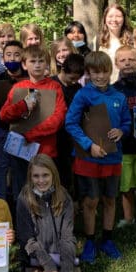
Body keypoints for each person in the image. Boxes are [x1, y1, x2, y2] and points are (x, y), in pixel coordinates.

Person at [65, 51, 131, 264]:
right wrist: (88, 145)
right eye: (95, 72)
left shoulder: (119, 97)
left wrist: (121, 131)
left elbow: (127, 123)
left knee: (110, 199)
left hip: (112, 158)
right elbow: (70, 123)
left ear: (111, 71)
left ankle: (108, 239)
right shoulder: (83, 95)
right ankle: (90, 240)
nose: (100, 76)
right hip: (88, 159)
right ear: (89, 73)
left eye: (104, 72)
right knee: (91, 200)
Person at [0, 45, 67, 203]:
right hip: (21, 151)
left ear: (46, 64)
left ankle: (47, 226)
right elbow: (4, 115)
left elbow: (58, 119)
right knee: (22, 191)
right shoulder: (18, 87)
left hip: (46, 151)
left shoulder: (54, 87)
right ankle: (24, 226)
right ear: (24, 64)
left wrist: (31, 133)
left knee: (46, 192)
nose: (37, 64)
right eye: (32, 61)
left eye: (41, 61)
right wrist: (23, 105)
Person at [16, 154, 77, 272]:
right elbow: (27, 240)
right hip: (34, 257)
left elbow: (67, 237)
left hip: (60, 254)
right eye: (36, 176)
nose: (41, 181)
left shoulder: (64, 197)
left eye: (45, 175)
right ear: (30, 177)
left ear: (53, 175)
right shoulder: (23, 198)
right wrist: (48, 264)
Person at [112, 46, 136, 229]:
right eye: (122, 60)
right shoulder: (114, 90)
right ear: (116, 63)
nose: (127, 63)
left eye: (131, 60)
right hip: (123, 146)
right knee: (125, 186)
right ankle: (128, 218)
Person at [0, 40, 27, 200]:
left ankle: (21, 207)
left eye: (17, 55)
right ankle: (2, 205)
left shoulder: (28, 80)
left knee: (20, 172)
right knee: (1, 170)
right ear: (3, 58)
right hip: (1, 131)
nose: (12, 59)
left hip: (23, 132)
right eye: (8, 55)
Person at [51, 53, 84, 194]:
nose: (73, 81)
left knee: (67, 173)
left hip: (70, 139)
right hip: (53, 137)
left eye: (77, 79)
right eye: (71, 78)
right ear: (63, 70)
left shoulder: (78, 89)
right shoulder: (50, 84)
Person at [96, 4, 133, 83]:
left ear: (124, 19)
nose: (114, 19)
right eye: (110, 16)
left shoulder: (132, 41)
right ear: (105, 19)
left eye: (118, 16)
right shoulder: (97, 41)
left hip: (128, 87)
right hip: (105, 87)